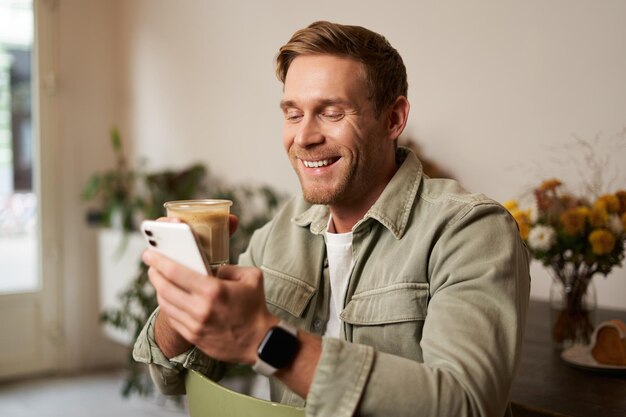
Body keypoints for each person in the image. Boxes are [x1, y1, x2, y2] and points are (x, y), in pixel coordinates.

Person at [133, 21, 530, 417]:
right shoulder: (281, 232)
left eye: (331, 112)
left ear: (393, 119)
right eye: (293, 114)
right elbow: (168, 376)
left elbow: (468, 406)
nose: (304, 137)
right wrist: (185, 295)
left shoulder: (471, 230)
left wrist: (263, 338)